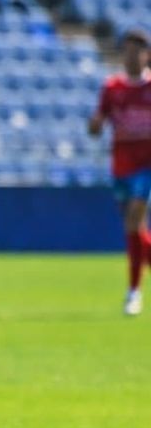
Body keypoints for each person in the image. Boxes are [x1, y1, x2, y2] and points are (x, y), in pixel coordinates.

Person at [88, 27, 151, 316]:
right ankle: (135, 287)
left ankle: (133, 291)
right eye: (127, 49)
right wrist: (95, 124)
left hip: (146, 167)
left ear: (146, 55)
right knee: (133, 230)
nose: (132, 55)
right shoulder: (112, 88)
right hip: (121, 166)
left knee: (136, 217)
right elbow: (97, 124)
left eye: (137, 49)